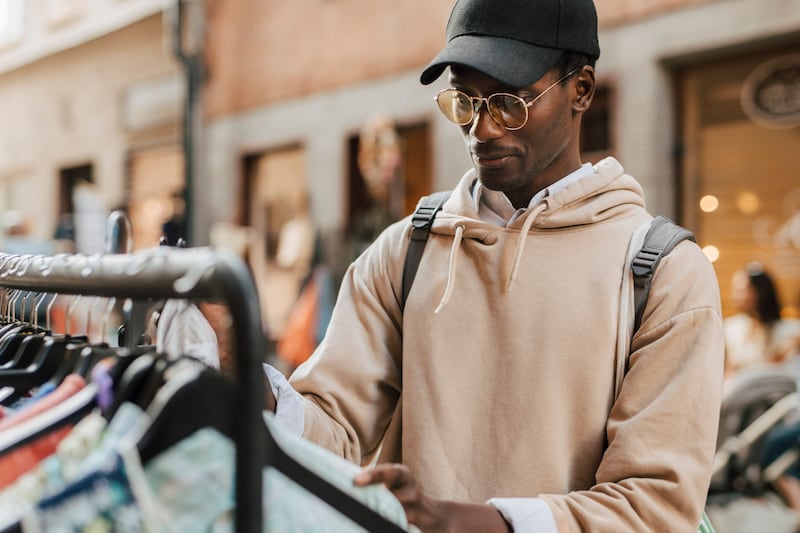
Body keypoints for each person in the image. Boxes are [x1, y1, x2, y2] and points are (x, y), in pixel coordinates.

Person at [263, 0, 725, 531]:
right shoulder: (405, 252)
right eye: (465, 101)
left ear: (582, 90)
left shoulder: (662, 273)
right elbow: (334, 434)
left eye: (510, 103)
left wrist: (486, 522)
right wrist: (253, 388)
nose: (481, 129)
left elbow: (655, 505)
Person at [724, 263, 800, 380]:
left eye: (740, 290)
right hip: (738, 393)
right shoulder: (730, 328)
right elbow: (728, 373)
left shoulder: (790, 331)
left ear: (760, 292)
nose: (734, 295)